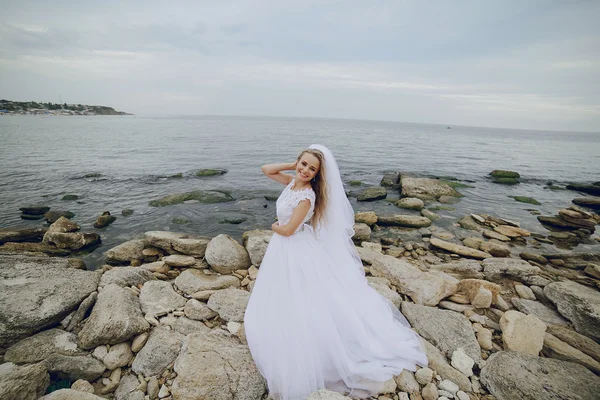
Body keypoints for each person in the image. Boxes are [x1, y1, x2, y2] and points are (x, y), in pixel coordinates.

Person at [244, 144, 427, 400]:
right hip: (285, 249)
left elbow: (288, 230)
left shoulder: (306, 196)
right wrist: (294, 166)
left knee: (302, 292)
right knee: (285, 290)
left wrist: (274, 226)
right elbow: (266, 169)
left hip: (292, 246)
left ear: (319, 174)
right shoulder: (292, 183)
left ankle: (307, 339)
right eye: (303, 164)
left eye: (312, 168)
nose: (306, 170)